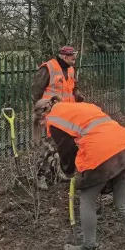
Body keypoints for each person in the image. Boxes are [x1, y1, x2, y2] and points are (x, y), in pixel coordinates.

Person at [33, 97, 125, 250]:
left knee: (87, 201)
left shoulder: (53, 120)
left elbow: (67, 149)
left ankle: (88, 249)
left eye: (40, 124)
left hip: (101, 153)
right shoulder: (78, 108)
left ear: (42, 116)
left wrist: (69, 171)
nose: (42, 127)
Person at [31, 46, 86, 190]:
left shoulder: (71, 69)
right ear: (63, 56)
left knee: (61, 145)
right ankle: (39, 176)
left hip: (67, 115)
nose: (74, 59)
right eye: (72, 56)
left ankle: (57, 172)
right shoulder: (48, 68)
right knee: (50, 145)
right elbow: (35, 91)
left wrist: (78, 95)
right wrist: (40, 112)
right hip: (52, 115)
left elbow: (74, 88)